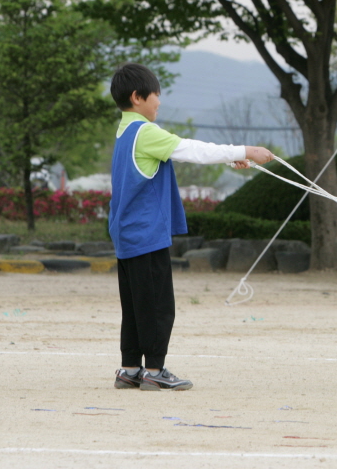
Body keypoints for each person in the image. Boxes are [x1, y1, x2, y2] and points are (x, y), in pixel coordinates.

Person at [109, 63, 273, 391]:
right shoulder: (145, 132)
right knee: (157, 305)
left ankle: (130, 369)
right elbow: (191, 150)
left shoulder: (125, 131)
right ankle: (154, 371)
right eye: (155, 95)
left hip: (126, 233)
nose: (159, 101)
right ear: (137, 97)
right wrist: (246, 150)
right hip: (145, 233)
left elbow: (182, 154)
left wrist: (228, 160)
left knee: (135, 304)